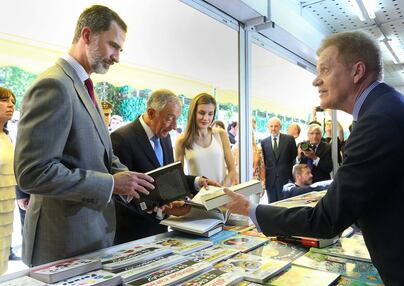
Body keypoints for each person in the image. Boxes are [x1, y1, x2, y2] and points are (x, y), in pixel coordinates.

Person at [224, 31, 404, 285]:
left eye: (324, 70)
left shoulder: (377, 121)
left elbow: (325, 221)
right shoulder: (387, 106)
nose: (316, 81)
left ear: (357, 72)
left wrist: (251, 210)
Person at [14, 5, 154, 266]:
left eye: (120, 50)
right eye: (113, 46)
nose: (117, 58)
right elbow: (33, 173)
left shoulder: (85, 87)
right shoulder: (54, 85)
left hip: (88, 239)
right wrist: (111, 184)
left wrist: (140, 186)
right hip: (61, 244)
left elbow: (104, 158)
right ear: (87, 35)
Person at [111, 89, 220, 244]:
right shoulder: (122, 138)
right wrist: (162, 210)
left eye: (177, 120)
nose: (174, 126)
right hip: (134, 234)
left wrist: (197, 182)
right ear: (151, 113)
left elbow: (168, 177)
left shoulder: (165, 137)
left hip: (161, 231)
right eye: (170, 119)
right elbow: (123, 195)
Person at [175, 93, 238, 187]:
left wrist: (221, 190)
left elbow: (232, 171)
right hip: (198, 198)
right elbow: (178, 177)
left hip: (223, 195)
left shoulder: (221, 134)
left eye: (210, 114)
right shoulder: (182, 140)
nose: (206, 118)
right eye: (202, 113)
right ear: (193, 113)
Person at [261, 117, 297, 203]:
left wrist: (291, 178)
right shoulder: (264, 142)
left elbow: (294, 158)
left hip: (286, 179)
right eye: (271, 126)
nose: (273, 129)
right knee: (272, 206)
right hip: (271, 181)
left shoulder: (289, 139)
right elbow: (265, 162)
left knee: (285, 205)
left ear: (280, 127)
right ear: (267, 127)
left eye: (276, 126)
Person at [0, 87, 16, 273]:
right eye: (4, 100)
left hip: (6, 211)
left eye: (13, 101)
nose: (10, 104)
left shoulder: (7, 137)